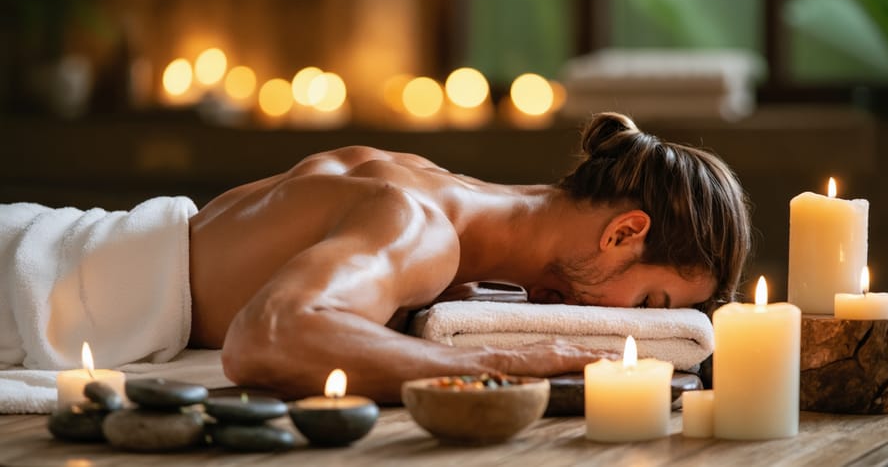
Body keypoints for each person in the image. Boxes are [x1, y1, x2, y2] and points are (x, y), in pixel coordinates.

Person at [184, 112, 752, 402]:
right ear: (625, 233)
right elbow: (269, 334)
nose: (633, 325)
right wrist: (506, 366)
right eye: (650, 303)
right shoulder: (422, 227)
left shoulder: (448, 208)